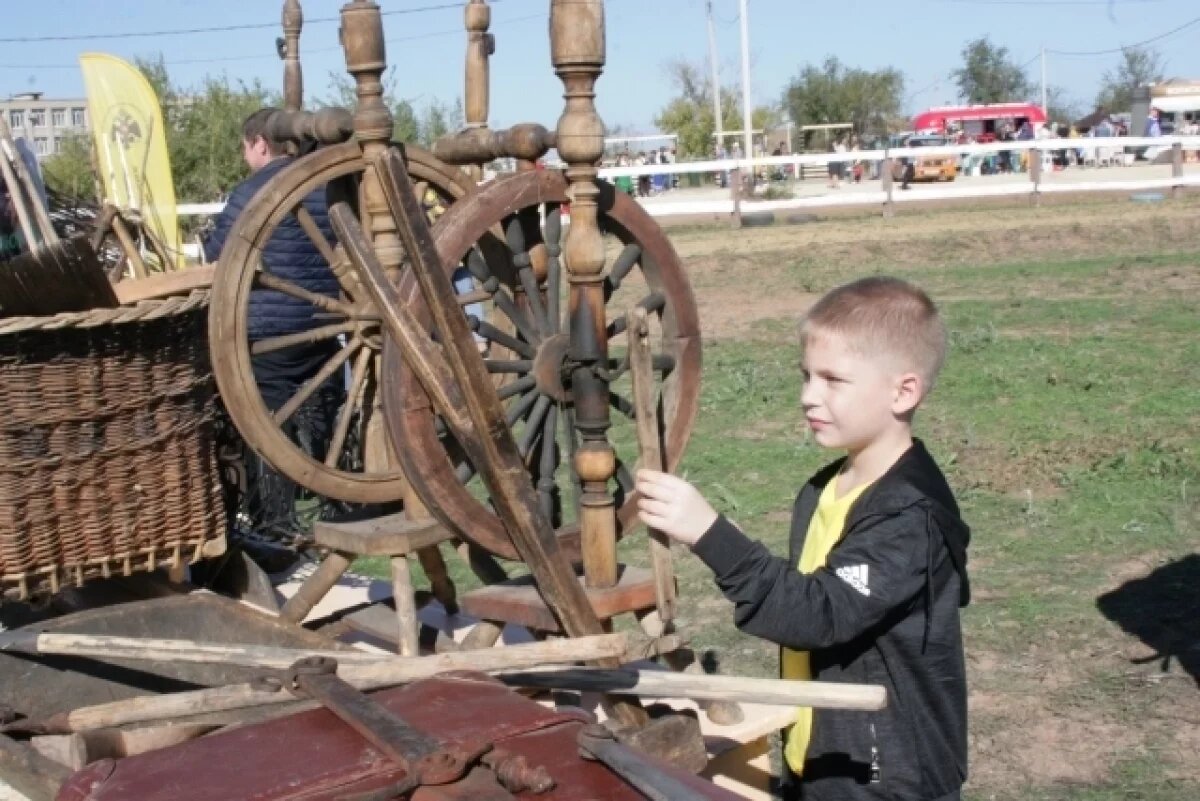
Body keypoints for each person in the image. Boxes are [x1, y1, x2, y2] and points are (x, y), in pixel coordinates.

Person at [636, 276, 971, 801]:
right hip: (817, 757)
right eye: (806, 376)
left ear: (903, 391)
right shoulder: (823, 490)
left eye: (833, 380)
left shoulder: (911, 516)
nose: (807, 396)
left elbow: (818, 614)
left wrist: (710, 533)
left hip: (884, 778)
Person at [204, 107, 343, 539]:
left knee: (265, 424)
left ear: (260, 144)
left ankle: (275, 521)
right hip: (323, 324)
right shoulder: (325, 188)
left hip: (268, 330)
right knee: (324, 408)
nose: (246, 156)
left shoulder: (251, 193)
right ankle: (339, 498)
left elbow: (219, 257)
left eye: (246, 148)